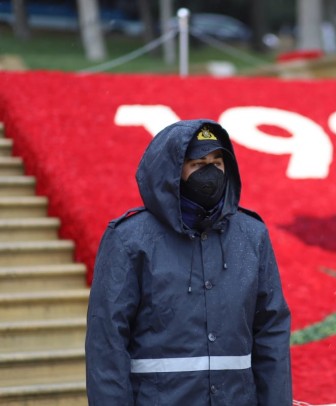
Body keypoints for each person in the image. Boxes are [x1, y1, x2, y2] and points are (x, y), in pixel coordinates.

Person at [85, 119, 292, 405]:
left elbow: (272, 331)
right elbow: (107, 342)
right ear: (171, 172)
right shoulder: (130, 240)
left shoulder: (251, 234)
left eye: (217, 162)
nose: (210, 172)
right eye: (197, 164)